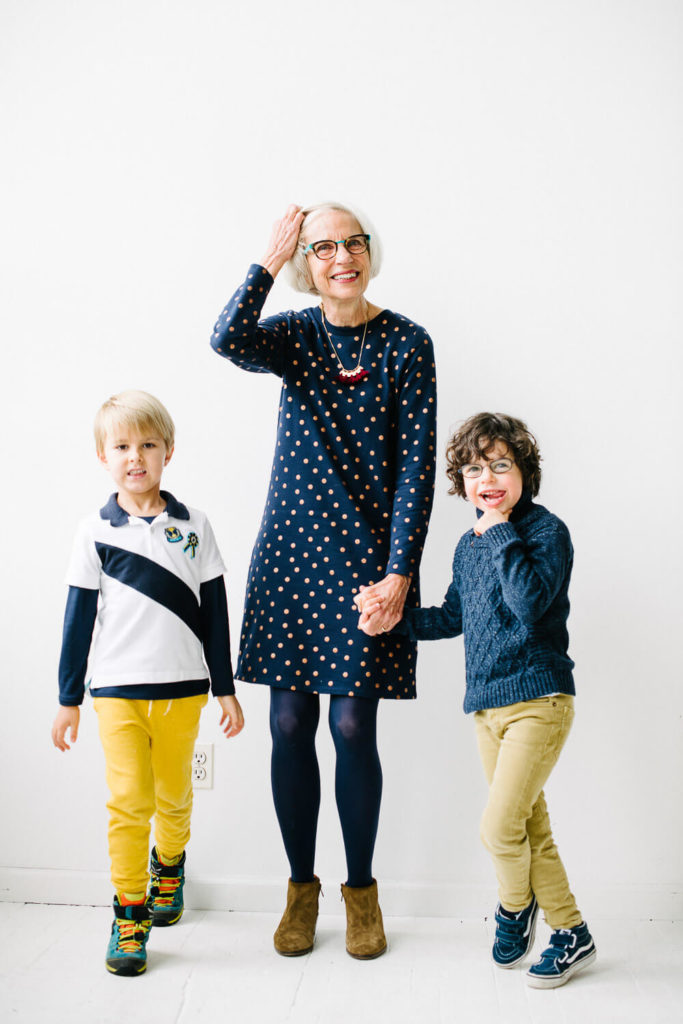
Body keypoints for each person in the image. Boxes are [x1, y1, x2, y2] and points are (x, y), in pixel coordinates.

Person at [210, 202, 436, 958]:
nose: (342, 256)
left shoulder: (407, 343)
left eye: (353, 242)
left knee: (350, 726)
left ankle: (361, 894)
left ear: (371, 251)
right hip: (291, 553)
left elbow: (415, 471)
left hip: (367, 562)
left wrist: (400, 571)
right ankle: (300, 889)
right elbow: (226, 339)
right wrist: (267, 261)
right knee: (287, 724)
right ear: (309, 262)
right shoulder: (295, 336)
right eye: (324, 247)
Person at [358, 412, 596, 989]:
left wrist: (500, 530)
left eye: (499, 465)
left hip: (540, 699)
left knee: (497, 828)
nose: (486, 477)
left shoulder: (543, 532)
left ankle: (515, 908)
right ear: (459, 482)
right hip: (485, 708)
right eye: (472, 469)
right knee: (528, 829)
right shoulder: (468, 546)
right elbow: (455, 616)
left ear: (523, 472)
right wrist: (395, 621)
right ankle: (571, 933)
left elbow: (529, 602)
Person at [51, 390, 244, 977]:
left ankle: (170, 865)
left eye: (148, 445)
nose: (136, 457)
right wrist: (68, 699)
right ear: (103, 457)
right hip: (116, 694)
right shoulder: (94, 532)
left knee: (173, 797)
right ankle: (129, 912)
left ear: (169, 452)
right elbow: (77, 618)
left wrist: (224, 687)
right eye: (122, 446)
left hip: (184, 690)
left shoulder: (195, 525)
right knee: (128, 803)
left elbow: (215, 611)